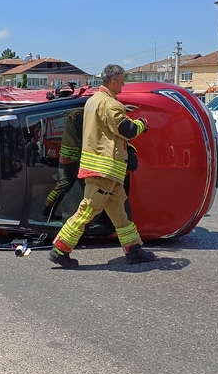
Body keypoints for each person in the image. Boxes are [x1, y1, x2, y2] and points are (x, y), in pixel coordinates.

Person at [48, 64, 156, 268]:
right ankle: (60, 249)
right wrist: (142, 123)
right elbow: (128, 130)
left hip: (102, 169)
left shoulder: (93, 101)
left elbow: (105, 126)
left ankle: (133, 249)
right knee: (88, 210)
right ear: (113, 82)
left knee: (119, 211)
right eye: (122, 80)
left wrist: (123, 113)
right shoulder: (110, 104)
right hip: (104, 169)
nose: (124, 84)